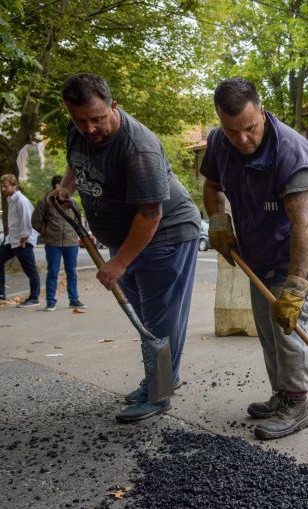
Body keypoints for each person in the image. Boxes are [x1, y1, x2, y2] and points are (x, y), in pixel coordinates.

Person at [50, 73, 200, 422]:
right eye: (80, 120)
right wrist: (67, 188)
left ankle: (159, 393)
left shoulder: (138, 148)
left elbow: (150, 213)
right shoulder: (80, 128)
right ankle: (162, 378)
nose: (89, 129)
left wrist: (119, 261)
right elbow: (77, 159)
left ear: (113, 106)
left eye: (97, 119)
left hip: (165, 234)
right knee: (144, 315)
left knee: (159, 320)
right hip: (126, 238)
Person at [200, 77, 308, 440]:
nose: (242, 139)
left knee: (288, 330)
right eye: (232, 131)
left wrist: (296, 286)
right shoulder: (219, 142)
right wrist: (218, 221)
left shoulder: (292, 152)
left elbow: (304, 225)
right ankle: (282, 394)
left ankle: (298, 406)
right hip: (258, 247)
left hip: (302, 250)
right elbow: (212, 185)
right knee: (267, 328)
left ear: (262, 111)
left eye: (250, 128)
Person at [0, 174, 41, 307]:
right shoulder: (11, 200)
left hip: (23, 241)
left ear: (15, 186)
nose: (3, 189)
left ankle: (34, 298)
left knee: (30, 270)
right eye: (2, 186)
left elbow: (27, 221)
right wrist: (9, 239)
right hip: (12, 240)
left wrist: (24, 239)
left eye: (6, 186)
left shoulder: (21, 201)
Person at [31, 175, 85, 311]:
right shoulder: (44, 202)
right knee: (53, 272)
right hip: (53, 243)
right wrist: (46, 233)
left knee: (72, 272)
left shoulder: (72, 202)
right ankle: (50, 301)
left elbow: (78, 220)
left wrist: (76, 234)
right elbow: (36, 221)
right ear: (55, 186)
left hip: (71, 242)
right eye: (61, 184)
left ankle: (74, 300)